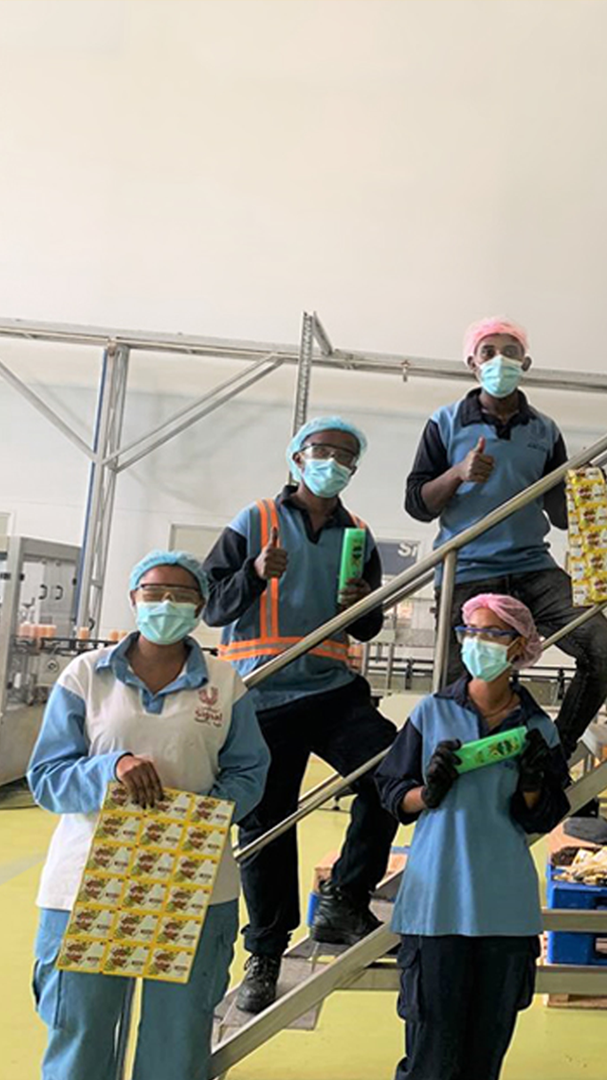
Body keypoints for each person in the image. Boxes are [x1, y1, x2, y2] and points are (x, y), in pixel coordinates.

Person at [26, 551, 270, 1080]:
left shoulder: (225, 685)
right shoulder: (87, 676)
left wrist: (198, 820)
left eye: (182, 596)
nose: (166, 604)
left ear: (203, 606)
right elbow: (47, 778)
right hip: (89, 881)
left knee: (176, 1038)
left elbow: (250, 773)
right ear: (134, 599)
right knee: (82, 1032)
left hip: (193, 882)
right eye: (155, 593)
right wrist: (111, 769)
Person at [200, 418, 400, 1014]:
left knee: (392, 773)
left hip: (333, 688)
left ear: (354, 469)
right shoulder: (254, 521)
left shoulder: (358, 535)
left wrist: (362, 606)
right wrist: (255, 574)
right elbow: (212, 606)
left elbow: (368, 624)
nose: (331, 462)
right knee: (266, 824)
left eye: (344, 456)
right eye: (321, 451)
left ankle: (345, 895)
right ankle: (265, 953)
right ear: (297, 457)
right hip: (260, 693)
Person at [373, 594, 572, 1080]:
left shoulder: (538, 730)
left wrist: (529, 786)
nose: (476, 643)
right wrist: (429, 791)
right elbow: (391, 790)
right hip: (436, 905)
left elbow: (543, 816)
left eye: (491, 633)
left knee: (484, 1061)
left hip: (505, 913)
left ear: (519, 645)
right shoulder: (431, 712)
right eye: (470, 632)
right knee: (431, 1060)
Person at [404, 317, 607, 754]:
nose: (500, 360)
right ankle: (453, 766)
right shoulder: (445, 423)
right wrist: (458, 473)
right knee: (456, 682)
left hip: (531, 567)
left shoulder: (544, 430)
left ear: (526, 362)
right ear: (472, 363)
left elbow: (560, 517)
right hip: (466, 571)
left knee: (603, 646)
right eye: (489, 352)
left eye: (510, 352)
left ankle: (556, 748)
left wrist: (584, 487)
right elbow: (416, 502)